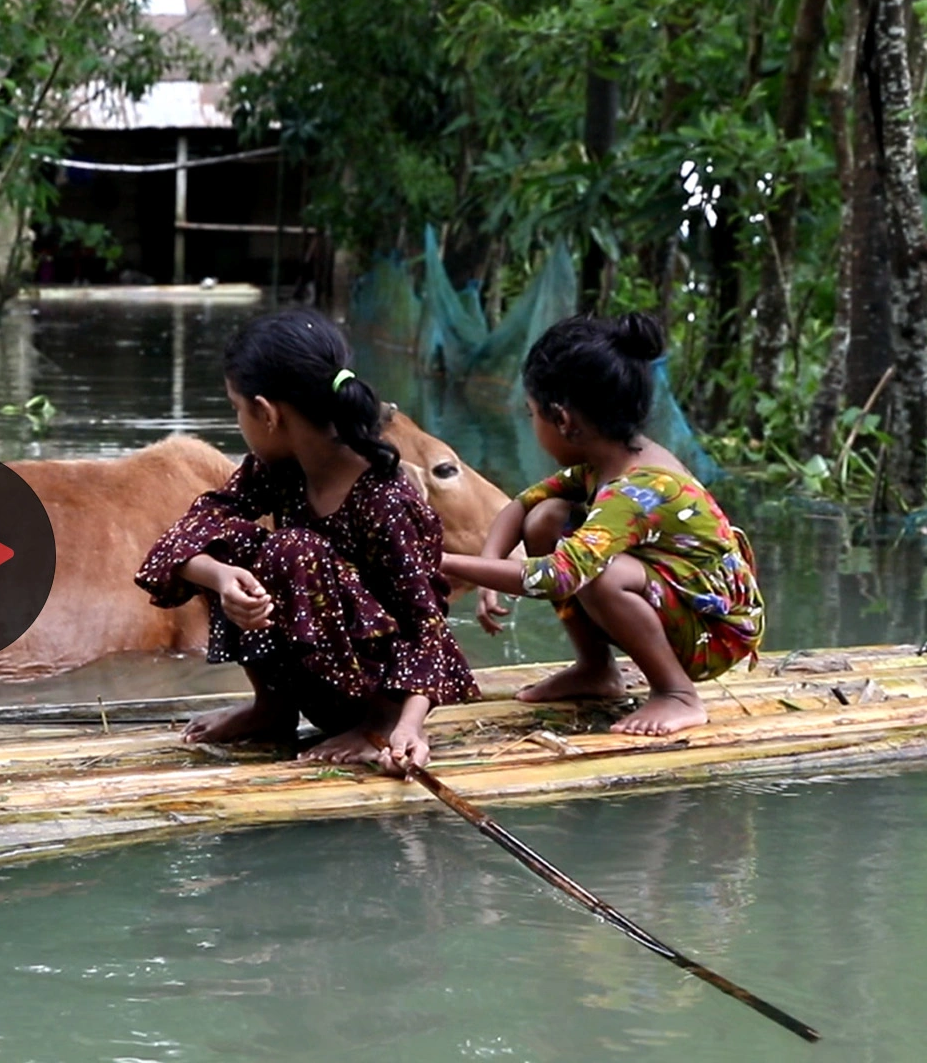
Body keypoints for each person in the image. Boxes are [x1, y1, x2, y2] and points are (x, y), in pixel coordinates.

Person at [134, 309, 480, 773]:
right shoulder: (276, 471)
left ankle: (373, 718)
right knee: (233, 541)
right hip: (311, 685)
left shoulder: (386, 500)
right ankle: (271, 708)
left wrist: (406, 726)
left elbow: (428, 629)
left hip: (382, 699)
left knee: (294, 547)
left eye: (237, 409)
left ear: (267, 412)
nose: (238, 422)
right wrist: (222, 578)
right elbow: (184, 535)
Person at [441, 313, 763, 736]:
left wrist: (443, 561)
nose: (532, 424)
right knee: (547, 518)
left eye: (532, 413)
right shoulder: (605, 462)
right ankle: (596, 669)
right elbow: (521, 508)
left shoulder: (637, 490)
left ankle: (677, 694)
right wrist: (488, 567)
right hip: (678, 595)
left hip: (718, 631)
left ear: (563, 420)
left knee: (600, 575)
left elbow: (557, 576)